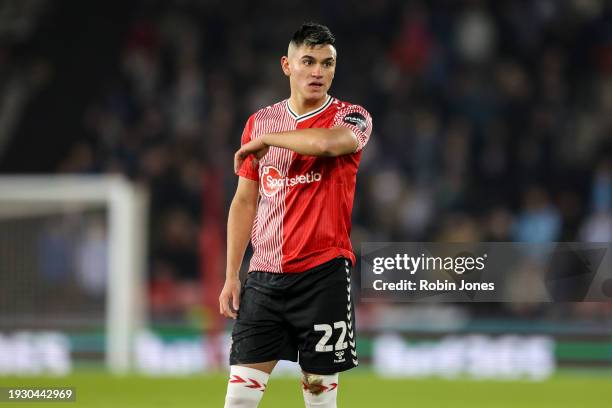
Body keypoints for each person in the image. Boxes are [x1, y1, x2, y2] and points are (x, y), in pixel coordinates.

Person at [219, 22, 372, 408]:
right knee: (238, 399)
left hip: (323, 277)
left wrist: (269, 142)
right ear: (287, 66)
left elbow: (325, 143)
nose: (318, 71)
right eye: (309, 61)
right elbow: (244, 202)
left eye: (327, 63)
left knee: (319, 399)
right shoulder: (259, 122)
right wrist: (231, 274)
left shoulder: (352, 116)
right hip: (264, 280)